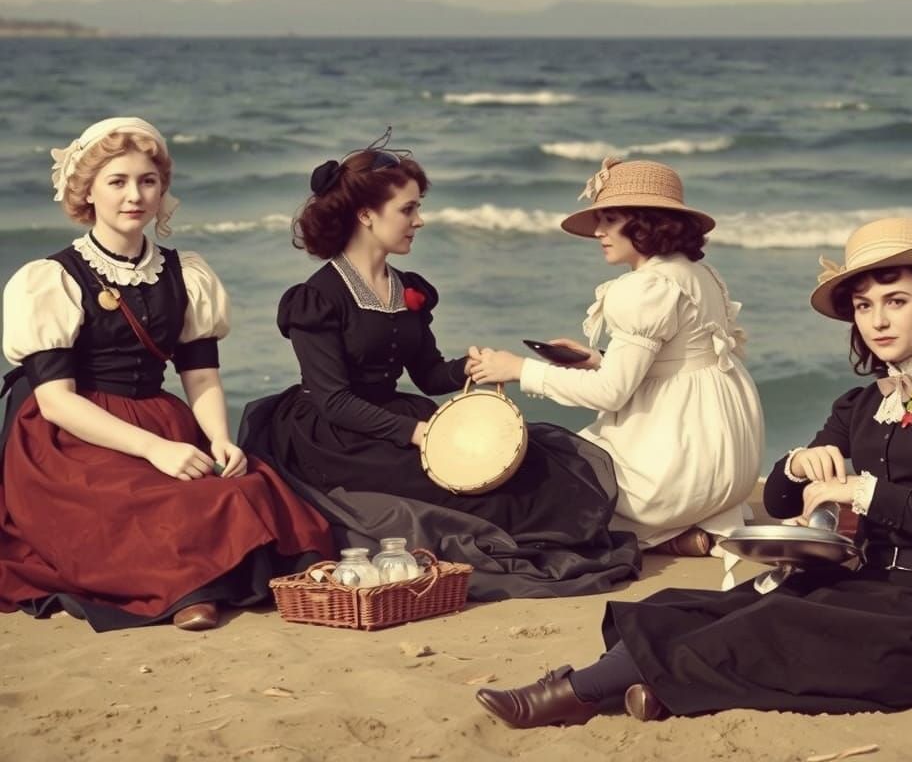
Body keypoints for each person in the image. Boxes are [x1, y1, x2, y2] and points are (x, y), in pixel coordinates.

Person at [475, 216, 912, 727]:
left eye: (896, 301)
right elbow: (784, 499)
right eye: (863, 305)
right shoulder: (860, 402)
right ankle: (652, 692)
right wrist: (796, 465)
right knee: (688, 605)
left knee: (773, 624)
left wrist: (861, 490)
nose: (876, 320)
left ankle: (576, 695)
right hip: (869, 584)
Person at [239, 130, 640, 599]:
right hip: (334, 436)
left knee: (529, 460)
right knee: (460, 484)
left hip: (396, 415)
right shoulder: (316, 298)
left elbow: (428, 376)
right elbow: (333, 400)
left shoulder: (406, 287)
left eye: (417, 207)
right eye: (408, 210)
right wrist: (418, 434)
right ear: (366, 215)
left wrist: (472, 367)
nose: (419, 221)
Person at [0, 117, 334, 632]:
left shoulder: (186, 273)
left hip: (158, 416)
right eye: (117, 181)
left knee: (243, 486)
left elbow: (199, 376)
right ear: (87, 191)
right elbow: (57, 402)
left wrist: (220, 438)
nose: (135, 195)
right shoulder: (51, 280)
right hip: (71, 435)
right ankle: (191, 592)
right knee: (154, 502)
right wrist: (156, 449)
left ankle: (214, 581)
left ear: (162, 189)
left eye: (147, 181)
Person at [468, 157, 764, 562]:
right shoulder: (699, 274)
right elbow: (675, 361)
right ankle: (682, 535)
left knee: (546, 466)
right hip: (727, 468)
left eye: (610, 219)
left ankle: (659, 531)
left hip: (678, 471)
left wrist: (521, 370)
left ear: (646, 224)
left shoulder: (645, 288)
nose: (598, 232)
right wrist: (595, 359)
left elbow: (611, 394)